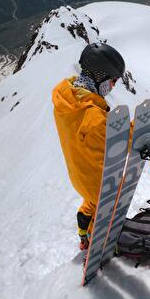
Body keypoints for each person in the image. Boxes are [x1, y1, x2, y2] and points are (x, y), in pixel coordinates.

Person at [52, 42, 125, 251]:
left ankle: (83, 233)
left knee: (92, 202)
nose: (113, 86)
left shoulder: (66, 99)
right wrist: (135, 131)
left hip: (78, 173)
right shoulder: (93, 116)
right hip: (95, 178)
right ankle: (97, 241)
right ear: (100, 76)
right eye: (112, 81)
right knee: (105, 206)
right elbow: (117, 139)